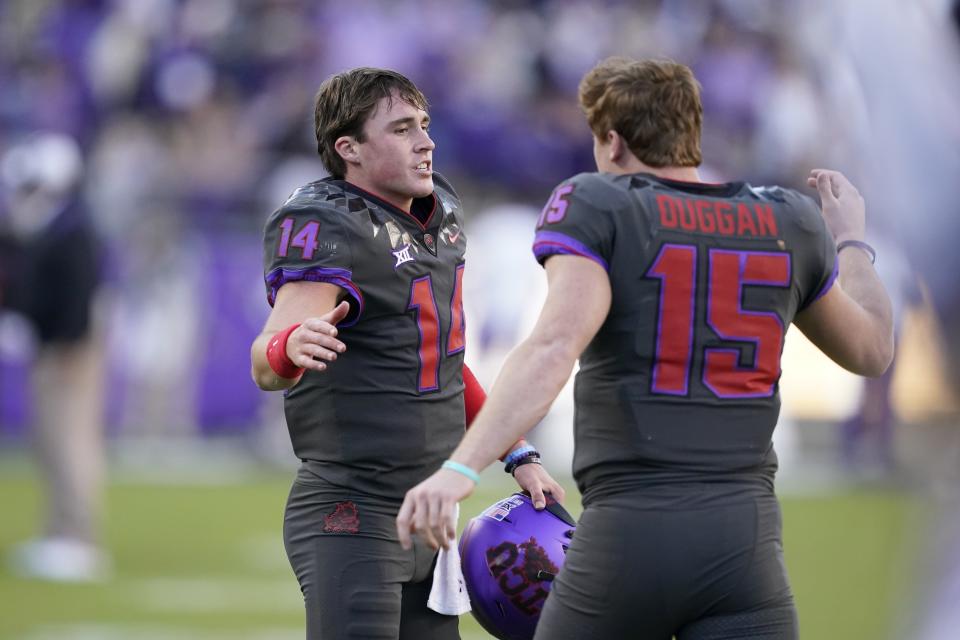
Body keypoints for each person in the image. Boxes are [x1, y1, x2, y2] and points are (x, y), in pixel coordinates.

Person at [397, 57, 894, 639]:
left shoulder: (601, 205)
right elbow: (872, 350)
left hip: (631, 532)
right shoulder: (787, 219)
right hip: (746, 545)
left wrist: (462, 467)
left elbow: (554, 347)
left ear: (611, 140)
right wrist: (852, 240)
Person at [250, 67, 564, 640]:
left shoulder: (440, 211)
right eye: (401, 129)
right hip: (353, 510)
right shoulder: (327, 222)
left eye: (424, 124)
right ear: (349, 149)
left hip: (430, 512)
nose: (426, 142)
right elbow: (265, 364)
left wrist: (515, 450)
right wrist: (289, 345)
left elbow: (444, 361)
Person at [1, 132, 110, 582]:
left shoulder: (73, 228)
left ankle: (79, 539)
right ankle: (58, 532)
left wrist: (66, 344)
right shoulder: (58, 224)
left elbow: (80, 296)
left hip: (70, 349)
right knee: (49, 442)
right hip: (54, 345)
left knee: (70, 442)